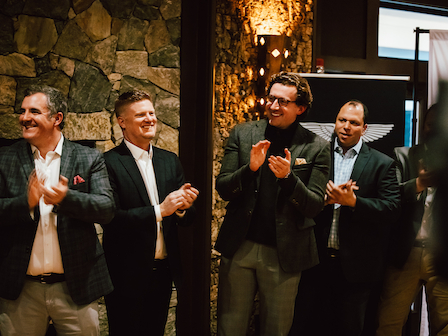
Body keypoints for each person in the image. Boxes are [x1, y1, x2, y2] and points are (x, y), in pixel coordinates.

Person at [215, 72, 331, 336]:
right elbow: (223, 187)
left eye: (283, 102)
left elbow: (314, 206)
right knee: (229, 328)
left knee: (276, 330)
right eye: (271, 98)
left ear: (300, 108)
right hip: (240, 246)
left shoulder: (316, 146)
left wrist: (288, 178)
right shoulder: (244, 133)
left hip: (285, 253)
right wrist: (250, 169)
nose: (274, 106)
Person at [0, 85, 115, 335]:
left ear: (57, 118)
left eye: (34, 111)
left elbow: (106, 209)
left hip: (77, 286)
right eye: (22, 111)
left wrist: (66, 198)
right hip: (21, 289)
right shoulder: (5, 158)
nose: (24, 117)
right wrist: (26, 202)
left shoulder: (89, 158)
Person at [292, 100, 401, 336]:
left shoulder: (383, 163)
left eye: (354, 123)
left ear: (364, 128)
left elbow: (392, 209)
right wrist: (322, 201)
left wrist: (354, 203)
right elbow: (298, 198)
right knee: (308, 326)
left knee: (349, 329)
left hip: (356, 267)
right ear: (335, 122)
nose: (346, 127)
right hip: (314, 260)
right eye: (342, 120)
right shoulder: (316, 154)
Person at [102, 90, 199, 336]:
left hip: (163, 272)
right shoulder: (108, 162)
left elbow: (188, 219)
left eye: (152, 113)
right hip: (125, 274)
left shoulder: (170, 160)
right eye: (140, 115)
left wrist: (182, 208)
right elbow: (111, 218)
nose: (150, 119)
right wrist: (160, 210)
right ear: (122, 122)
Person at [376, 104, 448, 335]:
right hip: (405, 253)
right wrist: (420, 183)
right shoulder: (403, 156)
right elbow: (391, 195)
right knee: (389, 324)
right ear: (422, 127)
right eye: (430, 125)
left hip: (442, 255)